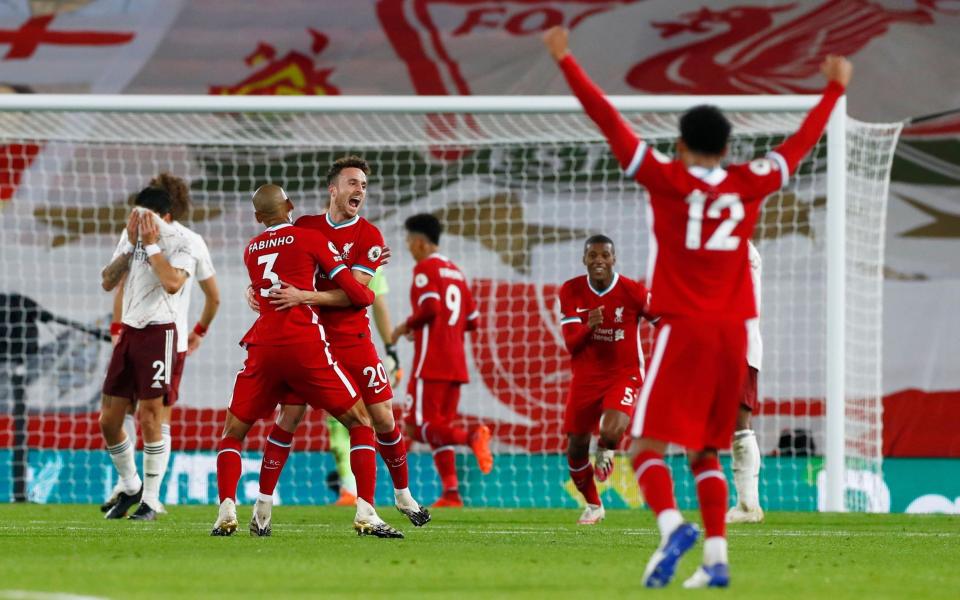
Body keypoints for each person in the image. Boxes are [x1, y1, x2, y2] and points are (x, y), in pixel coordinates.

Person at [543, 26, 851, 588]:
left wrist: (566, 60)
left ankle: (669, 529)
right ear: (729, 148)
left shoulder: (665, 176)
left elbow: (608, 119)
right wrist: (832, 92)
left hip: (683, 329)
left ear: (680, 145)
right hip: (735, 335)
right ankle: (716, 561)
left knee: (648, 449)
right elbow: (801, 144)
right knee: (707, 451)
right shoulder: (751, 180)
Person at [245, 156, 428, 533]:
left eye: (363, 185)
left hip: (353, 340)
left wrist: (304, 296)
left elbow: (357, 294)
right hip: (309, 342)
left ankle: (403, 495)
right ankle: (262, 509)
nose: (359, 190)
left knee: (383, 420)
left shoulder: (370, 237)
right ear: (334, 190)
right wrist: (256, 289)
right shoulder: (306, 227)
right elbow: (277, 262)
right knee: (288, 418)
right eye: (352, 183)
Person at [211, 184, 402, 538]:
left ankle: (232, 509)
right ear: (291, 206)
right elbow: (358, 293)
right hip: (304, 344)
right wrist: (368, 271)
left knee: (235, 433)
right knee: (361, 422)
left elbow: (265, 286)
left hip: (263, 346)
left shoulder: (251, 249)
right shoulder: (307, 238)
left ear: (257, 218)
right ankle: (366, 512)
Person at [101, 173, 220, 515]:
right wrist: (116, 327)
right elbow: (112, 283)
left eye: (146, 214)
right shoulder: (131, 234)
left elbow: (179, 285)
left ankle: (151, 498)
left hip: (166, 335)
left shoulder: (187, 241)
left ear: (166, 214)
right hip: (130, 332)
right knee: (110, 418)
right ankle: (130, 483)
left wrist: (199, 331)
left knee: (153, 417)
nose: (139, 220)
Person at [390, 214, 492, 508]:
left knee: (415, 426)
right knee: (437, 428)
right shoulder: (456, 272)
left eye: (409, 242)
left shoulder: (425, 269)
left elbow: (431, 307)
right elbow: (472, 320)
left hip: (431, 361)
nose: (409, 248)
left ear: (420, 243)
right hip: (456, 362)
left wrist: (404, 326)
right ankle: (451, 493)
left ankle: (472, 436)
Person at [557, 235, 650, 525]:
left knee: (610, 430)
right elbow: (571, 344)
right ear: (584, 259)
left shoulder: (633, 291)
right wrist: (588, 326)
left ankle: (607, 449)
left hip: (624, 373)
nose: (599, 260)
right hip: (585, 378)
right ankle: (594, 506)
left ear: (614, 259)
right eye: (592, 255)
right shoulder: (570, 290)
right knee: (575, 447)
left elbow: (663, 319)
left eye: (605, 255)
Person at [326, 268, 403, 507]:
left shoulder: (321, 246)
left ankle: (352, 488)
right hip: (352, 344)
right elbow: (378, 303)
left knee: (345, 416)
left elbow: (377, 302)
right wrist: (390, 349)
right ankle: (363, 490)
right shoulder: (369, 253)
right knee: (370, 416)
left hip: (326, 344)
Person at [728, 241, 764, 523]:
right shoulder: (734, 245)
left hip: (735, 343)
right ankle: (745, 503)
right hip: (726, 342)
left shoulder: (737, 248)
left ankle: (748, 504)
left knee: (740, 423)